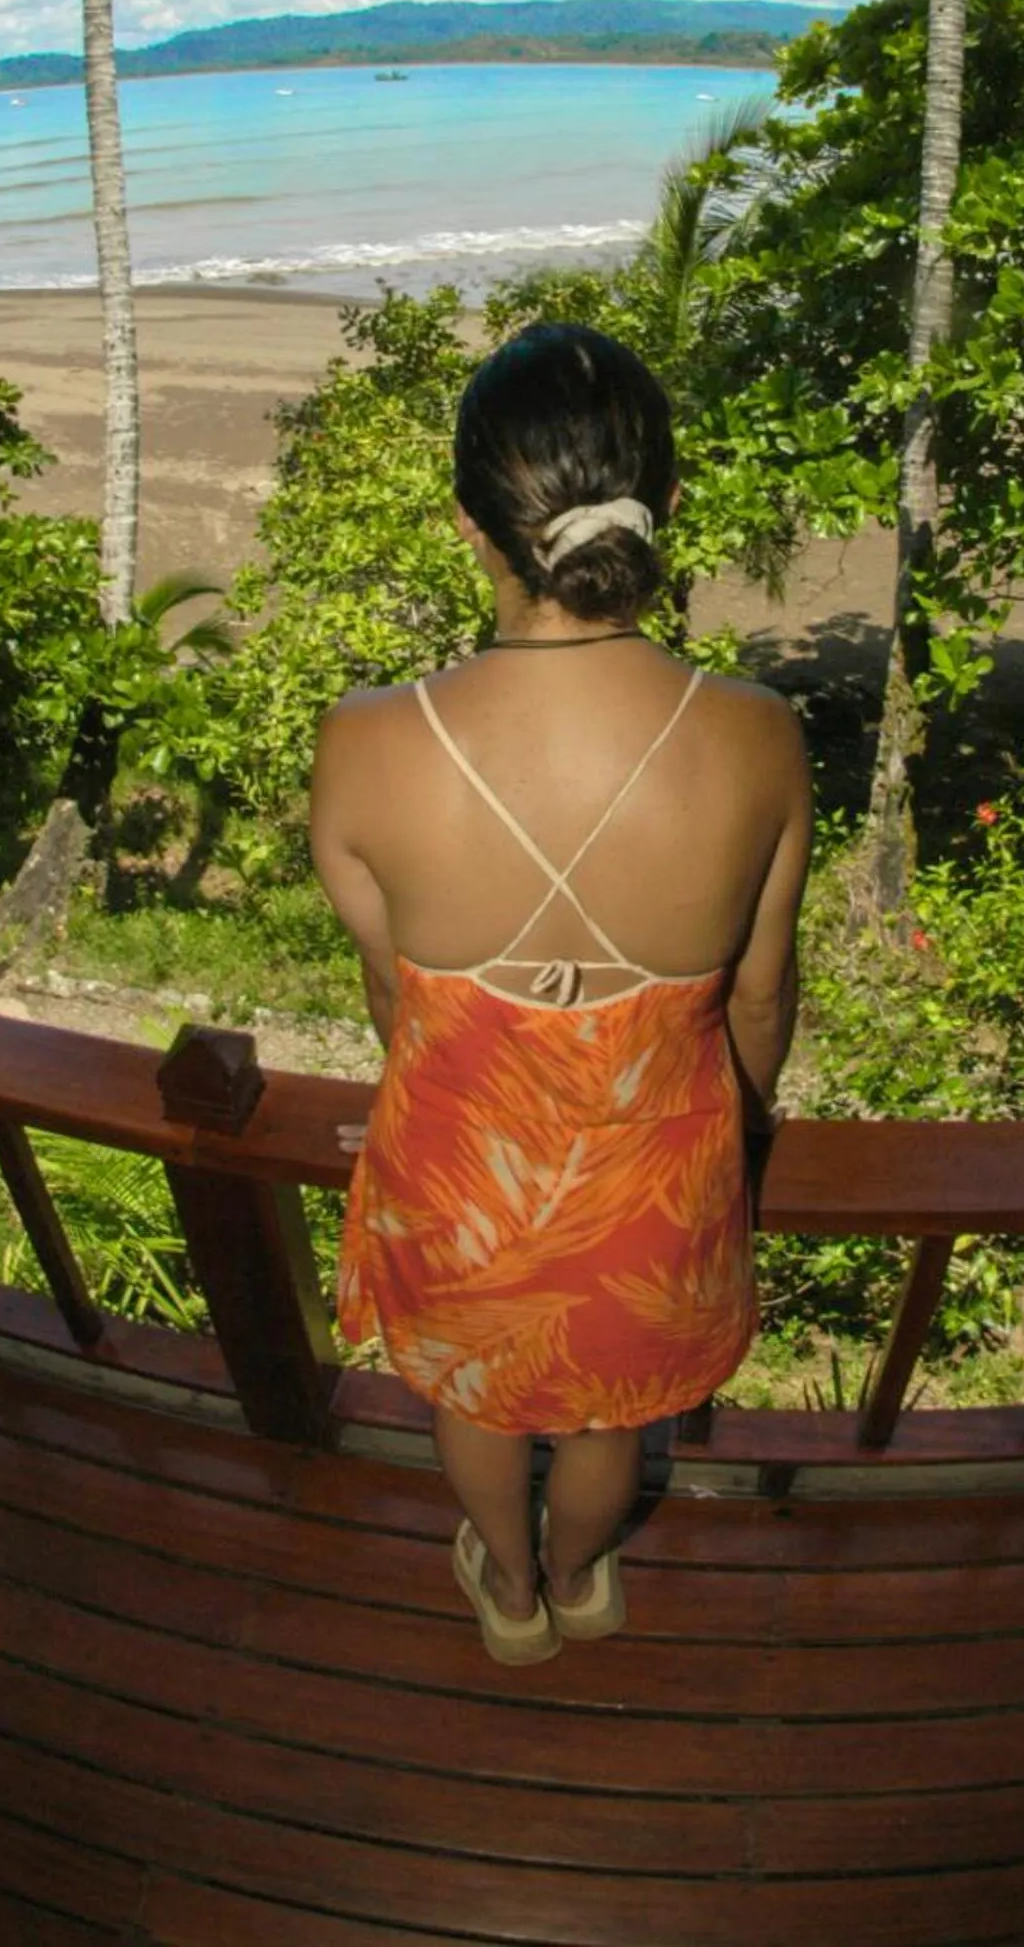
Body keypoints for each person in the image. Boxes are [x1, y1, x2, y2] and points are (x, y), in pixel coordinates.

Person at [310, 321, 811, 1667]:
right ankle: (584, 1576)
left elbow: (390, 1002)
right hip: (656, 1163)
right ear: (667, 508)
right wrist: (740, 1134)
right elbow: (759, 1004)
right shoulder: (754, 735)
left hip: (461, 1159)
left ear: (469, 524)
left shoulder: (365, 743)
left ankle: (512, 1597)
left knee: (476, 1400)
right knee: (605, 1416)